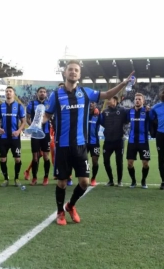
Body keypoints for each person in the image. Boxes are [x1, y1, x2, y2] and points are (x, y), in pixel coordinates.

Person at [43, 59, 134, 225]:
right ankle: (60, 212)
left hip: (80, 145)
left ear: (79, 74)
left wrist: (123, 83)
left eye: (76, 70)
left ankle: (71, 205)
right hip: (62, 145)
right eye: (70, 69)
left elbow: (107, 95)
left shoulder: (85, 93)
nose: (73, 72)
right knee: (62, 182)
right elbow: (47, 115)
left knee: (84, 182)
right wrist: (37, 124)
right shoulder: (56, 95)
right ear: (65, 73)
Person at [0, 86, 26, 187]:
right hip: (4, 138)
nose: (8, 93)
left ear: (14, 93)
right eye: (7, 91)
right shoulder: (0, 106)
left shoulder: (19, 106)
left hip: (15, 138)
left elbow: (23, 121)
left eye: (10, 91)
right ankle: (5, 179)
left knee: (17, 159)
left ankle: (16, 178)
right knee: (2, 159)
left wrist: (18, 131)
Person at [25, 87, 51, 186]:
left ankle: (46, 177)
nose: (42, 93)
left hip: (46, 133)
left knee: (45, 156)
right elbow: (27, 118)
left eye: (44, 92)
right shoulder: (31, 104)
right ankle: (34, 177)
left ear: (46, 94)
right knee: (35, 157)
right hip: (35, 134)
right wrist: (32, 126)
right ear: (37, 93)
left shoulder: (49, 105)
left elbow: (50, 117)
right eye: (40, 92)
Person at [100, 96, 128, 186]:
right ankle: (111, 180)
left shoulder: (123, 110)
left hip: (119, 140)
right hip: (108, 141)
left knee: (119, 161)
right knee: (105, 160)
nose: (108, 101)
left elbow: (128, 118)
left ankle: (119, 181)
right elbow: (102, 122)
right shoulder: (105, 112)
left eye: (109, 99)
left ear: (115, 100)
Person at [126, 93, 150, 188]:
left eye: (139, 99)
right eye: (136, 99)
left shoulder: (147, 111)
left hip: (143, 141)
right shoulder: (130, 111)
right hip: (132, 141)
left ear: (143, 101)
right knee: (130, 164)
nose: (137, 100)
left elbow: (154, 119)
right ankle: (133, 181)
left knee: (145, 164)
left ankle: (143, 181)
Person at [87, 102, 101, 186]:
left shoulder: (98, 115)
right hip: (84, 142)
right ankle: (86, 176)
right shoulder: (83, 114)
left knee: (95, 161)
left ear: (95, 105)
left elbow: (105, 122)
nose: (91, 105)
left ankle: (93, 178)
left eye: (92, 103)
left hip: (95, 142)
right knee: (83, 161)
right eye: (89, 103)